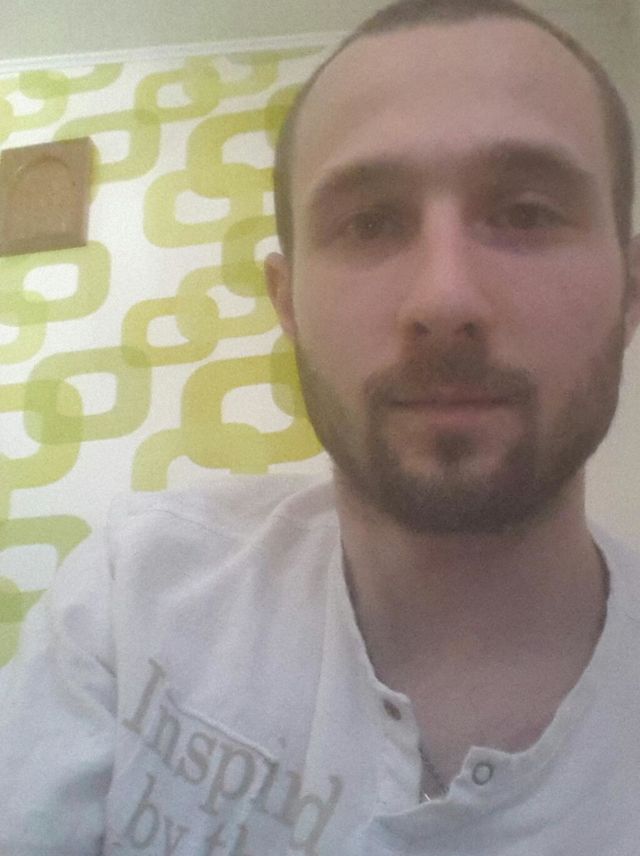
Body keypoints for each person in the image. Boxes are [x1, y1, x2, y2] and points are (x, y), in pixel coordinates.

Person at [1, 0, 640, 853]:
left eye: (526, 212)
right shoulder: (131, 596)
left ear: (631, 292)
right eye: (370, 222)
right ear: (287, 302)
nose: (445, 297)